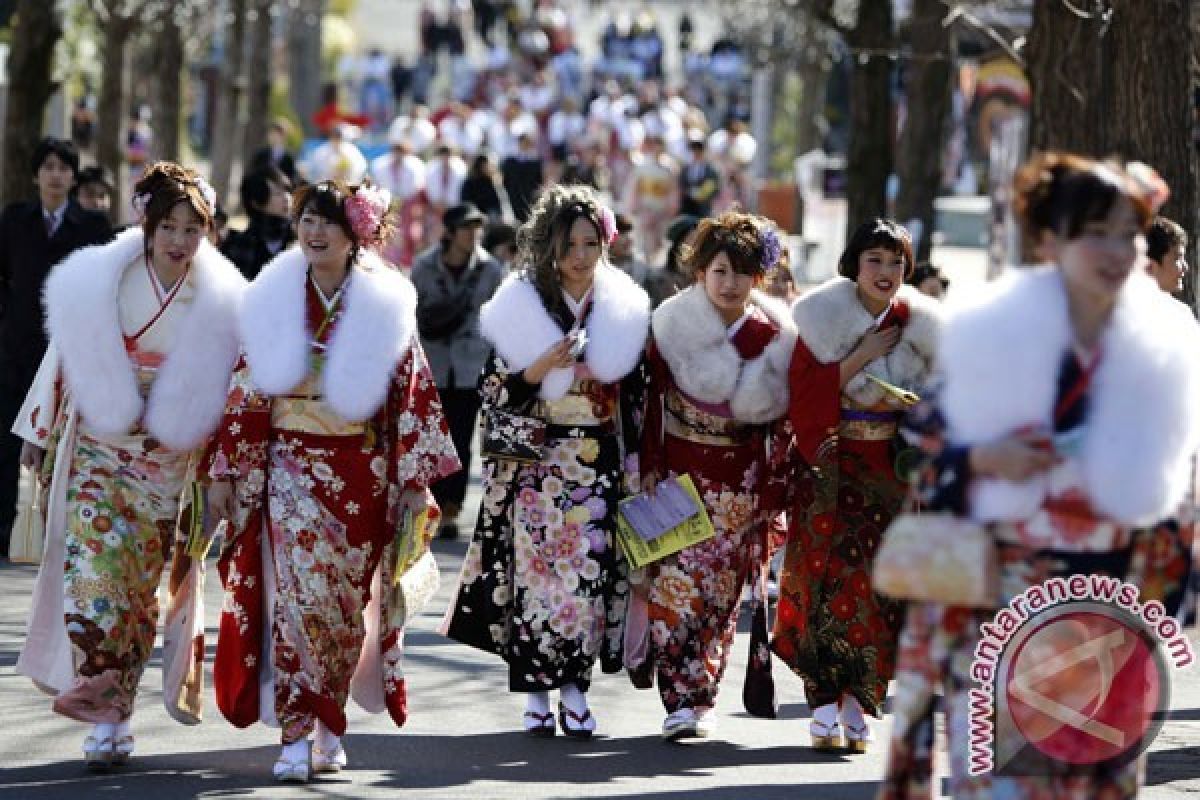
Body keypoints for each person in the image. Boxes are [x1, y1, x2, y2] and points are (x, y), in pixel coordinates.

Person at [877, 154, 1200, 799]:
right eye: (1096, 233)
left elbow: (1183, 484)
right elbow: (923, 448)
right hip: (1006, 600)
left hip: (1114, 608)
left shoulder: (1164, 339)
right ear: (1049, 240)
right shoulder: (995, 332)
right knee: (1006, 785)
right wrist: (984, 460)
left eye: (1129, 233)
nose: (1118, 250)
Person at [205, 180, 459, 782]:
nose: (314, 233)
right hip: (292, 463)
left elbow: (411, 393)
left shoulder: (385, 301)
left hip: (360, 469)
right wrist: (229, 467)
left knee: (345, 610)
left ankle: (328, 721)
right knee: (298, 603)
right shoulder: (272, 296)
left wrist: (413, 479)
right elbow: (246, 386)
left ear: (356, 235)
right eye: (306, 221)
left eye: (328, 223)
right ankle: (295, 733)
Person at [12, 161, 244, 768]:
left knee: (140, 592)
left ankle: (119, 709)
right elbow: (69, 349)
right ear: (146, 223)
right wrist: (39, 429)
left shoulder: (221, 296)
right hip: (99, 445)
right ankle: (99, 700)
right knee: (94, 580)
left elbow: (233, 384)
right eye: (169, 226)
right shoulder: (106, 276)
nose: (179, 241)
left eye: (192, 229)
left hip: (166, 458)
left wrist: (223, 465)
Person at [443, 184, 650, 739]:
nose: (581, 256)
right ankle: (536, 691)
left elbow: (637, 394)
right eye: (569, 243)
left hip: (597, 461)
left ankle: (575, 689)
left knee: (588, 578)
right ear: (549, 246)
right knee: (537, 580)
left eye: (590, 242)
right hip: (538, 462)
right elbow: (491, 389)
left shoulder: (620, 306)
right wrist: (536, 370)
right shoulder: (521, 306)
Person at [772, 218, 941, 753]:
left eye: (896, 262)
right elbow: (802, 395)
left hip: (889, 469)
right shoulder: (820, 318)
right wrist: (863, 358)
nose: (886, 272)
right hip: (830, 463)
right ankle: (822, 698)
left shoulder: (921, 324)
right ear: (853, 264)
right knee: (823, 581)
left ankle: (859, 699)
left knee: (878, 588)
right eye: (875, 260)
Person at [636, 211, 797, 740]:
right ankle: (679, 697)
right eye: (721, 271)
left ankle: (700, 699)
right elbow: (650, 405)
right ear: (700, 271)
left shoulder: (775, 334)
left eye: (743, 274)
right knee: (676, 589)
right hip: (680, 472)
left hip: (738, 480)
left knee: (722, 598)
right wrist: (647, 468)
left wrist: (775, 482)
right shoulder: (669, 324)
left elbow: (783, 421)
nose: (731, 284)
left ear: (759, 278)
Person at [0, 137, 112, 557]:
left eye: (63, 167)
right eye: (48, 166)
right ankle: (6, 531)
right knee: (8, 441)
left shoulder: (93, 226)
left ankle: (62, 532)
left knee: (63, 443)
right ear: (35, 174)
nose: (55, 175)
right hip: (16, 347)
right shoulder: (14, 219)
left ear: (72, 175)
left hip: (68, 352)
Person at [411, 203, 505, 539]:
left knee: (462, 439)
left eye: (476, 228)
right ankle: (432, 502)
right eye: (466, 227)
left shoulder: (491, 269)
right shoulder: (423, 266)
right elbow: (411, 313)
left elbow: (500, 319)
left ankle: (451, 507)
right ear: (449, 231)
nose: (472, 234)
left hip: (469, 365)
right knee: (432, 439)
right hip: (433, 363)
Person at [221, 166, 295, 280]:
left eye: (288, 191)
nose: (286, 198)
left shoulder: (299, 240)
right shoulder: (239, 245)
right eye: (277, 193)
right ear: (256, 202)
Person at [371, 124, 428, 269]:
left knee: (408, 235)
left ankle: (406, 262)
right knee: (387, 234)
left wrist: (403, 201)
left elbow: (415, 189)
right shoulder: (379, 165)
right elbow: (377, 185)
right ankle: (387, 262)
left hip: (407, 206)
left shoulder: (416, 167)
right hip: (386, 206)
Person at [645, 214, 698, 308]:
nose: (697, 245)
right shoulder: (657, 280)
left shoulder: (706, 278)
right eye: (692, 239)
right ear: (678, 244)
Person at [501, 132, 546, 223]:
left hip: (529, 199)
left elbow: (539, 181)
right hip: (513, 198)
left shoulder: (536, 162)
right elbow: (506, 181)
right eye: (523, 142)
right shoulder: (510, 161)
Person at [678, 132, 720, 218]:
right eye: (694, 148)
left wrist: (702, 194)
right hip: (687, 208)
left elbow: (714, 188)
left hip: (703, 209)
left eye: (699, 148)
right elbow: (682, 185)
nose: (696, 151)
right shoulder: (686, 168)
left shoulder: (711, 169)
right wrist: (689, 193)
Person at [1144, 214, 1187, 294]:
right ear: (1150, 266)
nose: (1185, 267)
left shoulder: (1176, 306)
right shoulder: (1122, 305)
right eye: (1177, 258)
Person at [249, 120, 300, 186]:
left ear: (284, 136)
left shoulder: (289, 158)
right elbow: (252, 173)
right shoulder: (261, 154)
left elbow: (292, 178)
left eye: (279, 133)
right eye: (273, 132)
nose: (275, 136)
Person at [609, 212, 652, 286]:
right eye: (622, 233)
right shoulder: (595, 270)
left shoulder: (642, 270)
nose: (629, 239)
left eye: (628, 233)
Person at [461, 153, 506, 222]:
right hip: (476, 216)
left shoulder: (495, 180)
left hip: (495, 217)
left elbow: (501, 201)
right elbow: (466, 202)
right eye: (485, 165)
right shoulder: (470, 182)